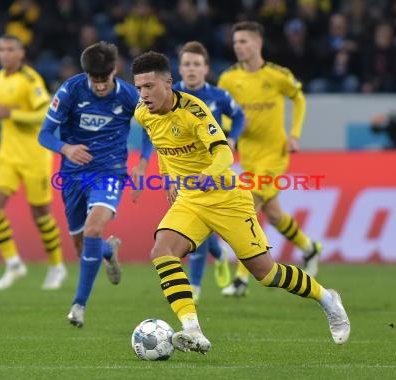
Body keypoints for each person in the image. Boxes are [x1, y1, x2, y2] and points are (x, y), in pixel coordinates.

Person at [132, 51, 350, 354]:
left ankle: (327, 299)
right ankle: (193, 330)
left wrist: (207, 175)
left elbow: (224, 154)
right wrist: (167, 177)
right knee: (162, 251)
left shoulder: (195, 111)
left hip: (227, 199)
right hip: (191, 201)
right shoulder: (143, 113)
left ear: (168, 83)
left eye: (149, 87)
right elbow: (163, 147)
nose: (143, 95)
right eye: (139, 88)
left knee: (267, 274)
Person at [38, 41, 152, 328]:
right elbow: (45, 134)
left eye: (104, 79)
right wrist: (65, 148)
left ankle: (78, 306)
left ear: (114, 70)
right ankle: (107, 251)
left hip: (109, 172)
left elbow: (152, 128)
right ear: (86, 73)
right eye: (94, 80)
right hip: (73, 176)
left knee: (93, 228)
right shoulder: (71, 90)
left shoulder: (128, 96)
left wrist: (141, 164)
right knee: (82, 246)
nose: (100, 86)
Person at [217, 21, 322, 297]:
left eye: (243, 41)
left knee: (249, 205)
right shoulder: (228, 79)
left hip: (275, 154)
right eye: (235, 42)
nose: (238, 46)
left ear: (257, 43)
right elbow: (223, 112)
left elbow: (299, 99)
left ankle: (241, 278)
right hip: (248, 156)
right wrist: (234, 128)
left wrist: (295, 135)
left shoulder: (277, 75)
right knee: (273, 215)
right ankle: (309, 248)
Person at [0, 34, 66, 291]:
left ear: (21, 53)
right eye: (0, 49)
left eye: (10, 50)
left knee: (40, 214)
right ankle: (13, 263)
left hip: (34, 155)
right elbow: (7, 109)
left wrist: (11, 113)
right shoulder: (0, 77)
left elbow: (44, 113)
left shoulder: (31, 80)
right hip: (7, 153)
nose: (4, 54)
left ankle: (56, 265)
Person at [172, 41, 246, 302]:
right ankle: (220, 254)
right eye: (187, 64)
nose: (191, 69)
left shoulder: (219, 96)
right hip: (181, 169)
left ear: (206, 69)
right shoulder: (170, 98)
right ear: (179, 69)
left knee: (198, 222)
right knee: (200, 226)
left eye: (196, 64)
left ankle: (194, 287)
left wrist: (233, 138)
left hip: (213, 170)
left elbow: (239, 117)